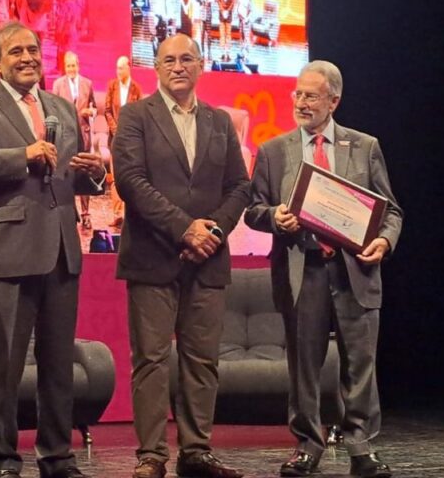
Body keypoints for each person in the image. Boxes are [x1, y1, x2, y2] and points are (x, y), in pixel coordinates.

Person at [0, 21, 105, 478]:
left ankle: (57, 458)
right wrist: (23, 156)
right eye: (16, 51)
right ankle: (3, 460)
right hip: (7, 252)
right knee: (6, 367)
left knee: (58, 365)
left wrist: (95, 174)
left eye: (33, 50)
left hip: (61, 250)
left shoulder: (61, 107)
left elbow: (70, 177)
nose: (28, 58)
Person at [245, 61, 402, 478]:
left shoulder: (364, 146)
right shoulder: (274, 151)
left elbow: (391, 211)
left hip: (354, 271)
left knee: (360, 364)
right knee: (304, 366)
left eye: (310, 96)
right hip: (304, 268)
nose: (300, 102)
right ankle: (307, 447)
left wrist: (384, 241)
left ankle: (361, 448)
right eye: (297, 94)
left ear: (333, 101)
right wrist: (275, 218)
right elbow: (253, 210)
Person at [112, 33, 250, 478]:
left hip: (208, 259)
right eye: (169, 60)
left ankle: (196, 452)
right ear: (156, 67)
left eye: (187, 59)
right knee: (151, 360)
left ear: (201, 65)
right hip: (152, 256)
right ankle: (152, 456)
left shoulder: (220, 121)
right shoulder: (135, 115)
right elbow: (130, 181)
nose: (178, 66)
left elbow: (239, 186)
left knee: (202, 360)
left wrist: (212, 230)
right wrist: (184, 229)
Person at [51, 51, 98, 229]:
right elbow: (53, 110)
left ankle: (86, 214)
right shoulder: (58, 85)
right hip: (65, 137)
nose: (71, 69)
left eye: (73, 65)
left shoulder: (87, 83)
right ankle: (69, 213)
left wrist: (91, 112)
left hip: (84, 135)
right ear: (65, 67)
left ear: (78, 66)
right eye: (68, 66)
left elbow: (94, 107)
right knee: (67, 174)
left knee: (84, 173)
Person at [104, 55, 143, 228]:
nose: (118, 71)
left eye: (121, 68)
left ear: (128, 68)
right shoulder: (112, 86)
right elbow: (107, 110)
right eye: (117, 68)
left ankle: (130, 215)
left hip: (131, 141)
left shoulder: (136, 89)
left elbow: (139, 114)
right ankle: (117, 214)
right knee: (115, 178)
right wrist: (116, 129)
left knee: (131, 177)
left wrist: (127, 132)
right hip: (115, 139)